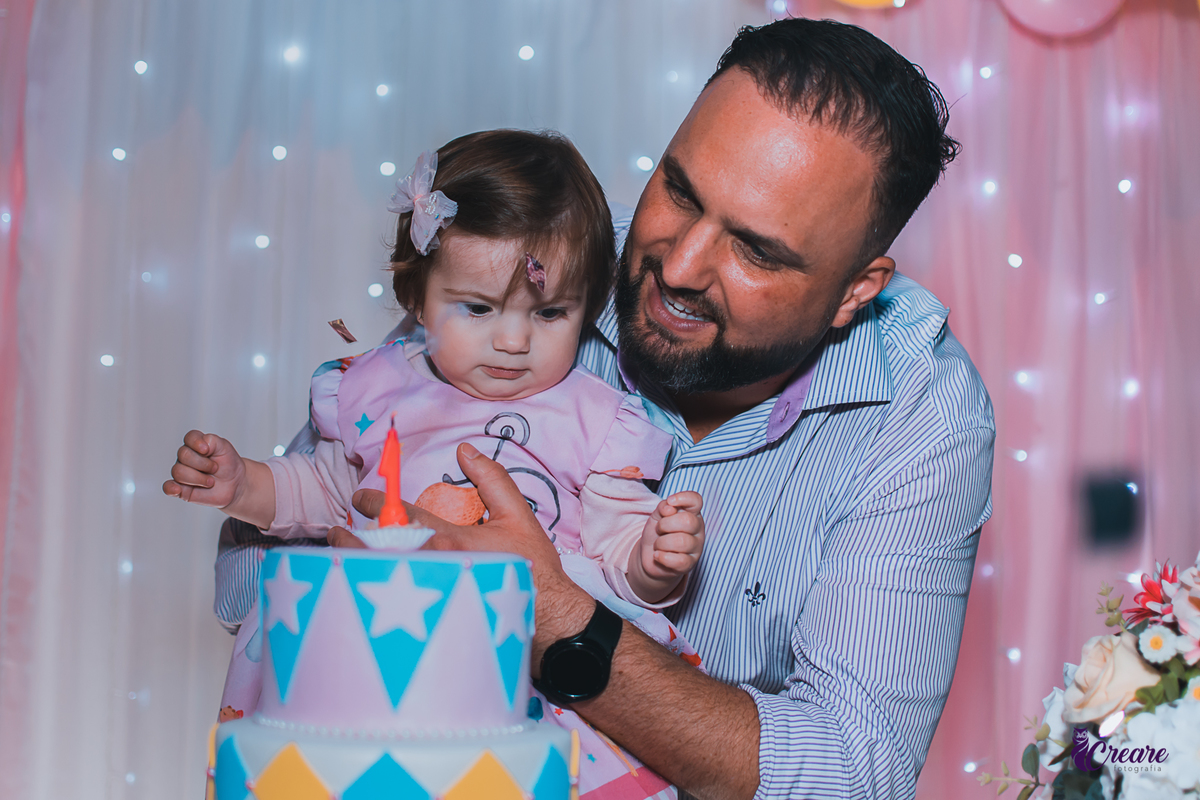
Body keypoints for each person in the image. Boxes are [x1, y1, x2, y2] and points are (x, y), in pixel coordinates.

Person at [219, 18, 995, 800]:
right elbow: (251, 580)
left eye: (756, 250)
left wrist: (551, 608)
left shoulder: (921, 415)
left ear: (856, 290)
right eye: (679, 190)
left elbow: (850, 773)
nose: (680, 266)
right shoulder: (543, 264)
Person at [166, 129, 706, 799]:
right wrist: (243, 483)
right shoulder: (378, 390)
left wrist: (655, 557)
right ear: (418, 299)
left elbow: (616, 550)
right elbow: (325, 492)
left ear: (589, 308)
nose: (512, 340)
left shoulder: (601, 419)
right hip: (369, 652)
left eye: (550, 312)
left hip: (519, 661)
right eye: (477, 308)